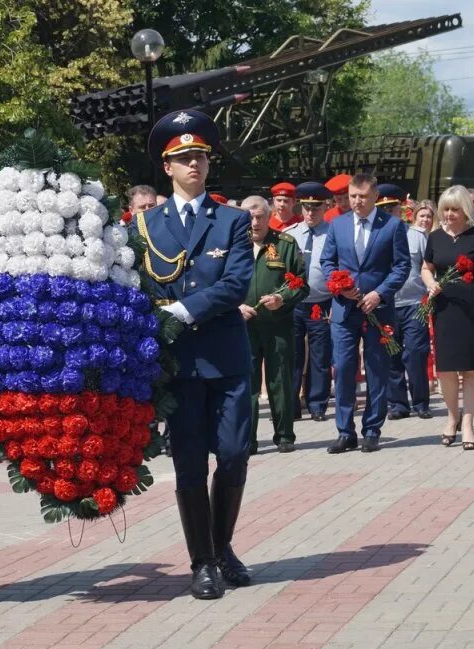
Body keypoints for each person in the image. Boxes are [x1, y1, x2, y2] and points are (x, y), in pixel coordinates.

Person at [136, 109, 254, 600]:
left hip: (226, 359)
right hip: (178, 365)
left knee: (233, 455)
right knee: (188, 464)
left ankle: (221, 545)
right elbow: (137, 287)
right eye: (183, 158)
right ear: (167, 167)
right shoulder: (144, 225)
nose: (193, 165)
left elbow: (235, 283)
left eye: (200, 157)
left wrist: (181, 310)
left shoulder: (232, 220)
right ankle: (202, 561)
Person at [321, 174, 411, 453]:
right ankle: (344, 431)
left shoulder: (393, 226)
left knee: (376, 368)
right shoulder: (337, 224)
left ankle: (372, 429)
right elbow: (327, 261)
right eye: (353, 197)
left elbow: (401, 266)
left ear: (375, 197)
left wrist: (380, 293)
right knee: (344, 367)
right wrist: (337, 285)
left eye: (362, 196)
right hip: (345, 309)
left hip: (378, 308)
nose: (357, 202)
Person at [422, 186, 474, 450]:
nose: (448, 214)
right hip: (444, 310)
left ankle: (468, 423)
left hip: (473, 310)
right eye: (445, 209)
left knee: (470, 369)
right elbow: (426, 268)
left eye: (454, 209)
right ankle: (452, 417)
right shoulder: (434, 238)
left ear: (465, 209)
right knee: (445, 369)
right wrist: (430, 282)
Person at [239, 195, 308, 454]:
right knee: (248, 382)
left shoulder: (285, 244)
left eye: (259, 217)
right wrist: (235, 306)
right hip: (243, 325)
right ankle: (248, 439)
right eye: (249, 217)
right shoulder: (233, 246)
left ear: (269, 217)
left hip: (278, 323)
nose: (255, 222)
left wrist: (282, 298)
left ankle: (285, 435)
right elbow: (219, 282)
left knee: (280, 379)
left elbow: (300, 283)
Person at [283, 183, 334, 423]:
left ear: (325, 207)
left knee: (320, 356)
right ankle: (292, 405)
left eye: (315, 208)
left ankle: (317, 404)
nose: (310, 213)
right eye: (306, 208)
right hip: (295, 304)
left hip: (322, 302)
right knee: (292, 356)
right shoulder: (291, 234)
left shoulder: (333, 233)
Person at [387, 198, 432, 420]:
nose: (388, 213)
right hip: (386, 305)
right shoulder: (376, 237)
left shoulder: (416, 235)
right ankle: (398, 404)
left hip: (415, 302)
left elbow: (428, 266)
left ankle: (421, 402)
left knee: (415, 352)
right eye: (383, 210)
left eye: (391, 208)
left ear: (401, 210)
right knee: (392, 355)